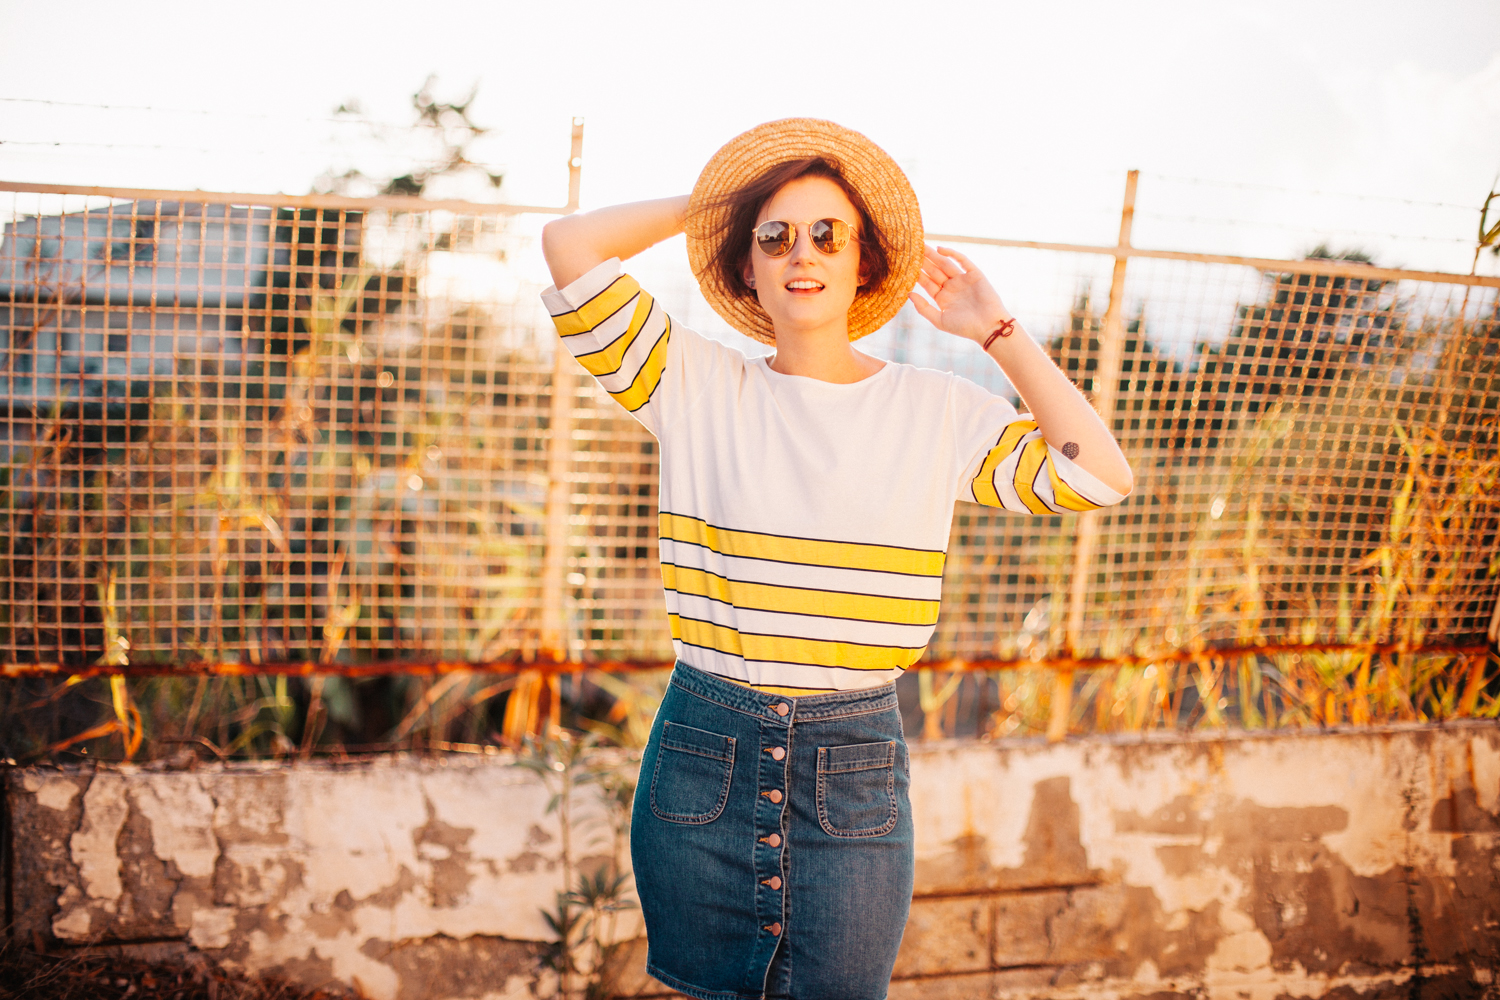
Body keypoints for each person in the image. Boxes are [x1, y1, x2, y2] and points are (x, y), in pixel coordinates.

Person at [540, 119, 1131, 1000]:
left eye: (828, 233)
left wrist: (997, 331)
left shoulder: (938, 411)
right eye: (773, 236)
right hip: (706, 750)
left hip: (852, 762)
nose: (801, 253)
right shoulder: (689, 383)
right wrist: (720, 203)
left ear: (865, 263)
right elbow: (569, 247)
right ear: (747, 267)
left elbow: (1099, 477)